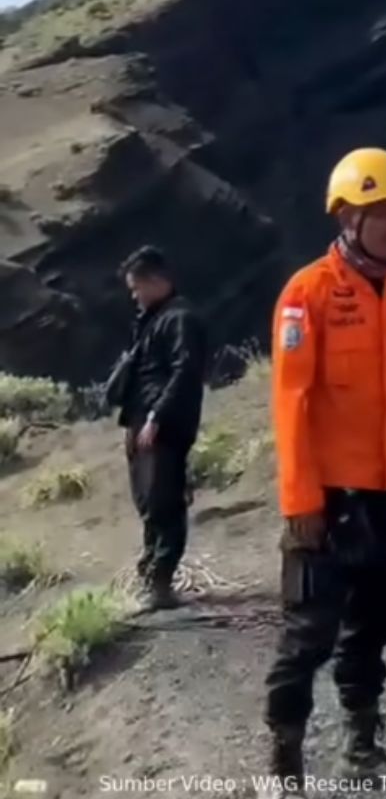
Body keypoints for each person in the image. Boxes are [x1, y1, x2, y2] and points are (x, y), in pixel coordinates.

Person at [256, 148, 386, 799]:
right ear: (346, 219)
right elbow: (291, 403)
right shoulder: (306, 294)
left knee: (374, 624)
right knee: (308, 634)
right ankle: (281, 774)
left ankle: (361, 745)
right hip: (328, 502)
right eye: (377, 213)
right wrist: (300, 500)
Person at [105, 246, 208, 612]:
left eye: (137, 288)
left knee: (163, 501)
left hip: (162, 426)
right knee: (149, 501)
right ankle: (150, 576)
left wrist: (157, 416)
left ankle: (160, 583)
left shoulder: (180, 319)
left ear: (155, 281)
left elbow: (185, 372)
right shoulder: (152, 320)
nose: (135, 296)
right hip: (141, 421)